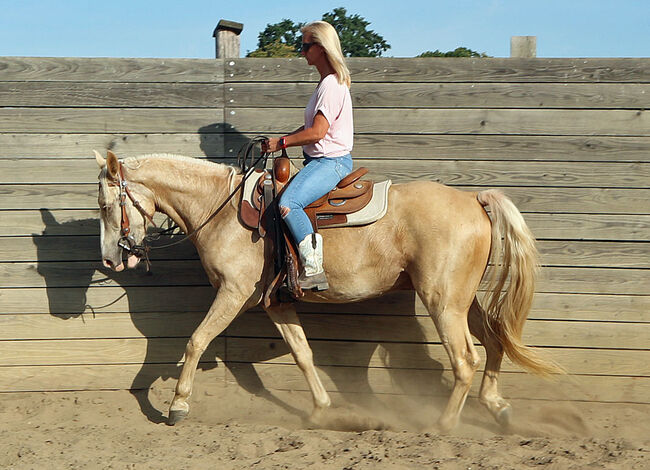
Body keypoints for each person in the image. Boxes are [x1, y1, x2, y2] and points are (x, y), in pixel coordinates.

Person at [262, 21, 353, 291]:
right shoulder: (326, 84)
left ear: (321, 48)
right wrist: (282, 142)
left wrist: (282, 141)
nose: (301, 51)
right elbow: (310, 129)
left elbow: (318, 132)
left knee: (289, 202)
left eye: (305, 45)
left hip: (331, 162)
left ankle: (314, 269)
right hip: (321, 161)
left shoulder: (331, 85)